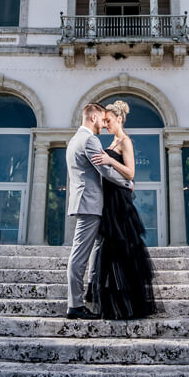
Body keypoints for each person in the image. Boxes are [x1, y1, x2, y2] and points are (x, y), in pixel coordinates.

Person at [86, 100, 158, 319]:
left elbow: (130, 173)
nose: (106, 124)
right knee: (108, 248)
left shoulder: (125, 141)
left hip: (119, 200)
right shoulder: (112, 140)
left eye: (108, 120)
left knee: (121, 246)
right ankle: (104, 297)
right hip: (108, 198)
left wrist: (110, 160)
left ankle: (126, 303)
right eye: (104, 120)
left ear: (119, 119)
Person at [64, 102, 132, 319]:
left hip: (85, 202)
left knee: (95, 247)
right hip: (90, 203)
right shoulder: (89, 140)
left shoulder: (74, 139)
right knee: (79, 255)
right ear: (93, 118)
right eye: (102, 120)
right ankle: (75, 305)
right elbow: (105, 170)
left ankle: (92, 288)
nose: (104, 125)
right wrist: (126, 183)